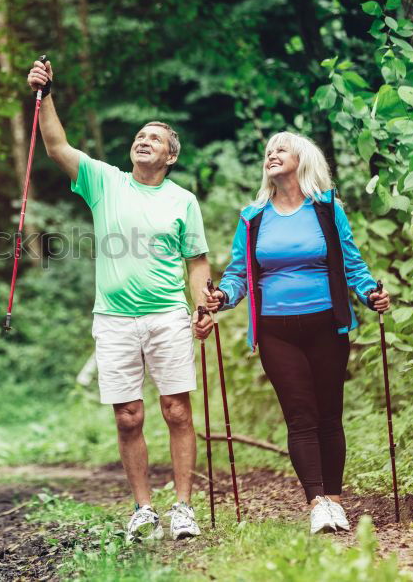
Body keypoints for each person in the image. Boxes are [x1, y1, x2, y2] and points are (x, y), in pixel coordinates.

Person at [27, 59, 211, 541]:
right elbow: (55, 145)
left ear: (170, 156)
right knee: (128, 416)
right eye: (139, 135)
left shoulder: (182, 200)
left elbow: (196, 260)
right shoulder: (104, 180)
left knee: (177, 410)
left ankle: (184, 508)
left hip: (168, 315)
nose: (142, 140)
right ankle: (144, 509)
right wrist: (44, 96)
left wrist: (202, 306)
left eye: (154, 138)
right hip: (113, 319)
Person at [196, 131, 391, 534]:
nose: (272, 154)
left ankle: (336, 501)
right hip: (276, 331)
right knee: (300, 416)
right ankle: (317, 502)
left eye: (281, 149)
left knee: (328, 415)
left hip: (326, 324)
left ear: (302, 159)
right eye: (269, 151)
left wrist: (371, 293)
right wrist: (224, 296)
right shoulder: (253, 218)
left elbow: (352, 263)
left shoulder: (326, 209)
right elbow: (239, 273)